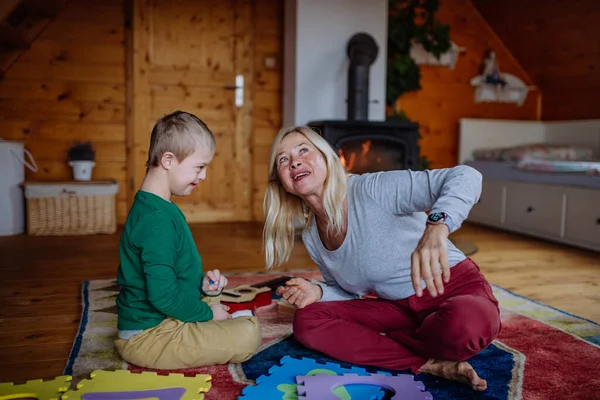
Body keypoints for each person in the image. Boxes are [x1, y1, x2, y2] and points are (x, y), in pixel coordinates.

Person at [263, 126, 501, 391]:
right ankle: (428, 363)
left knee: (466, 324)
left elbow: (467, 175)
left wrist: (437, 227)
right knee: (307, 322)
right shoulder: (311, 236)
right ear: (282, 181)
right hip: (398, 309)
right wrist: (317, 291)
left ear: (327, 157)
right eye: (283, 159)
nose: (295, 161)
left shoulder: (372, 189)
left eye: (304, 150)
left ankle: (396, 341)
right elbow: (349, 293)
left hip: (454, 290)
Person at [115, 111, 261, 369]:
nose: (203, 176)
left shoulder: (157, 207)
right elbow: (162, 297)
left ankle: (209, 309)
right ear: (169, 160)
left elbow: (171, 271)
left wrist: (203, 285)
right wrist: (207, 313)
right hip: (150, 336)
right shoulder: (156, 221)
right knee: (249, 334)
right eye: (199, 167)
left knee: (216, 304)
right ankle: (215, 318)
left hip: (164, 320)